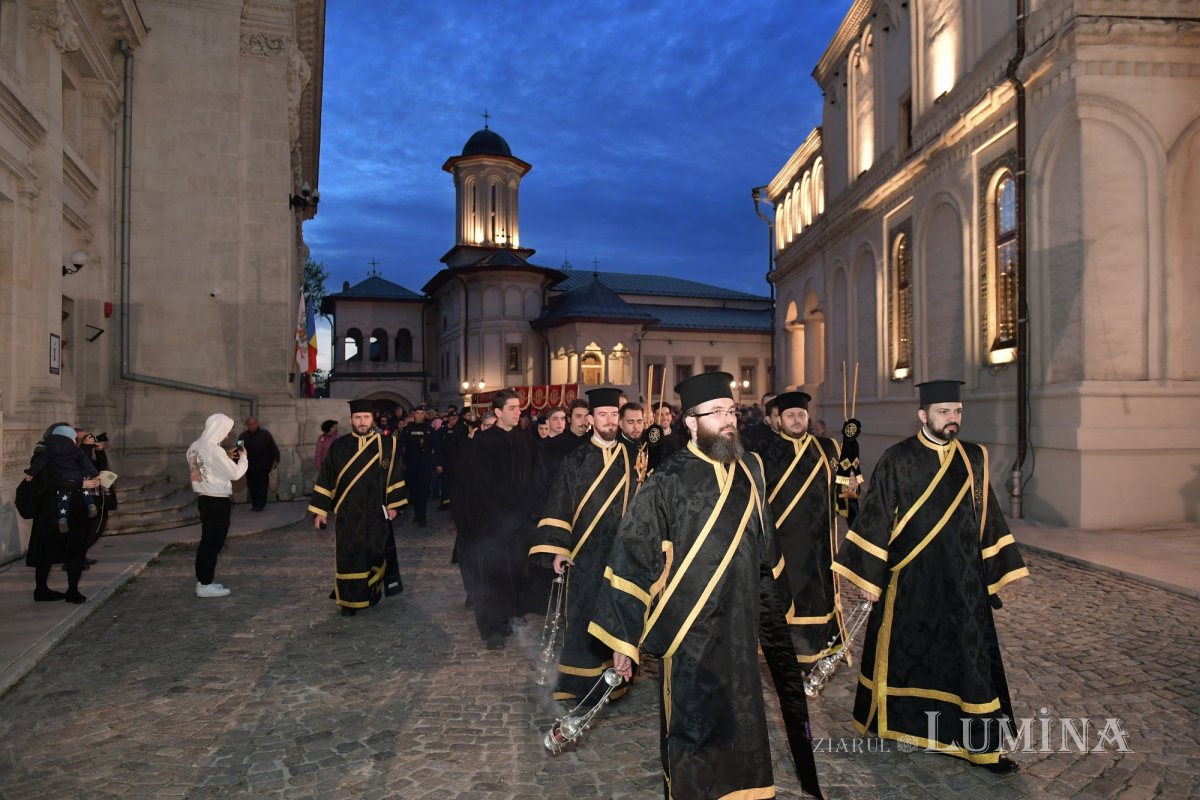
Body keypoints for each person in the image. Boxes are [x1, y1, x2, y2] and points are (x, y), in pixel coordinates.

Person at [589, 373, 822, 799]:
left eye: (731, 411)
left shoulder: (751, 467)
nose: (729, 420)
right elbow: (633, 555)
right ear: (692, 424)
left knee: (744, 716)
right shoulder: (669, 478)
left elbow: (766, 543)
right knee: (694, 724)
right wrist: (624, 640)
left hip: (741, 621)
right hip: (690, 629)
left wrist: (777, 611)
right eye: (717, 413)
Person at [832, 380, 1029, 773]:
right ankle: (902, 725)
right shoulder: (897, 458)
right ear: (923, 415)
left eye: (957, 411)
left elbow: (987, 516)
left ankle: (980, 746)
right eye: (943, 412)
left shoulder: (974, 457)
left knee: (968, 660)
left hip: (962, 582)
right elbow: (874, 515)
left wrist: (993, 574)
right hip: (910, 580)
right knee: (910, 652)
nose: (952, 419)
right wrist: (870, 578)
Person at [530, 387, 633, 704]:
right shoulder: (575, 459)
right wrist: (559, 548)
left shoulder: (632, 457)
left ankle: (614, 679)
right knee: (581, 615)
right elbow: (559, 503)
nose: (609, 420)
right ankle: (577, 682)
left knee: (615, 613)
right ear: (590, 419)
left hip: (620, 554)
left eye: (614, 414)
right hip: (584, 555)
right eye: (602, 414)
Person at [752, 391, 844, 666]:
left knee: (820, 595)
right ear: (778, 419)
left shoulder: (829, 449)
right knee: (790, 596)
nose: (796, 420)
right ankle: (790, 654)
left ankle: (822, 649)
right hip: (784, 544)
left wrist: (853, 474)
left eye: (801, 415)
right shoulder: (762, 453)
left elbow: (846, 493)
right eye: (790, 415)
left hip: (821, 544)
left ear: (808, 418)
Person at [451, 389, 545, 649]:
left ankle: (512, 617)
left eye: (519, 408)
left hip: (519, 523)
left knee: (516, 572)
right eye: (513, 408)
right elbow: (469, 487)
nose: (518, 413)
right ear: (498, 411)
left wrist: (532, 513)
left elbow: (537, 477)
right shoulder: (481, 444)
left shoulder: (526, 440)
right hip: (490, 525)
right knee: (491, 575)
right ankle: (491, 627)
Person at [309, 400, 408, 616]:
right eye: (357, 418)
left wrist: (394, 505)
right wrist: (320, 510)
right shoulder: (339, 445)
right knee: (349, 555)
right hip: (348, 512)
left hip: (375, 510)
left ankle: (371, 590)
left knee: (375, 551)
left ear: (372, 419)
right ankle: (349, 601)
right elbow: (326, 477)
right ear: (351, 420)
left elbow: (395, 474)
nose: (362, 422)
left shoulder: (387, 443)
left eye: (365, 417)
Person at [22, 423, 100, 603]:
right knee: (48, 552)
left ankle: (72, 590)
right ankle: (42, 590)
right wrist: (81, 485)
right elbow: (50, 483)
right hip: (51, 510)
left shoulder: (69, 455)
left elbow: (85, 470)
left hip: (72, 509)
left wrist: (91, 481)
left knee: (74, 551)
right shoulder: (42, 456)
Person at [186, 413, 249, 598]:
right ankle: (205, 584)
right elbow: (236, 474)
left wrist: (225, 458)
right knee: (213, 543)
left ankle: (204, 580)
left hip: (204, 498)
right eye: (226, 431)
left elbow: (199, 474)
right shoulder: (214, 449)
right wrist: (243, 458)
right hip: (217, 500)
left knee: (207, 541)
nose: (227, 436)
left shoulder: (194, 447)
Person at [27, 425, 99, 531]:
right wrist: (95, 475)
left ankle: (62, 519)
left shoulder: (49, 451)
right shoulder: (76, 450)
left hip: (62, 478)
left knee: (63, 499)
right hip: (77, 478)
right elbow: (86, 464)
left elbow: (39, 463)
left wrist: (30, 473)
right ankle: (91, 505)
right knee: (84, 491)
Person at [396, 405, 436, 527]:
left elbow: (437, 447)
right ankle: (417, 514)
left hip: (425, 466)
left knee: (423, 492)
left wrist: (437, 463)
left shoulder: (430, 429)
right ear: (413, 414)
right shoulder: (408, 429)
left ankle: (422, 517)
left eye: (422, 413)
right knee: (413, 493)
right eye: (417, 413)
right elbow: (399, 446)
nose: (419, 415)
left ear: (425, 415)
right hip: (411, 466)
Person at [541, 398, 590, 476]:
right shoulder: (554, 444)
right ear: (569, 418)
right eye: (578, 416)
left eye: (586, 417)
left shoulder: (593, 442)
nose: (583, 421)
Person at [238, 416, 279, 511]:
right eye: (250, 424)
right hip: (249, 466)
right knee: (252, 486)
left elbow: (273, 447)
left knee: (262, 486)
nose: (252, 426)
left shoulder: (265, 434)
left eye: (254, 423)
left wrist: (275, 459)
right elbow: (238, 450)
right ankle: (255, 504)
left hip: (263, 465)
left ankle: (260, 505)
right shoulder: (242, 436)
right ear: (247, 425)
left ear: (257, 423)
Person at [434, 409, 468, 510]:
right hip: (447, 460)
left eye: (454, 418)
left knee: (458, 483)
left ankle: (458, 503)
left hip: (458, 460)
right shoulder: (444, 428)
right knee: (446, 483)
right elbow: (439, 443)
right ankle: (446, 502)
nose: (452, 420)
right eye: (450, 418)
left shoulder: (461, 428)